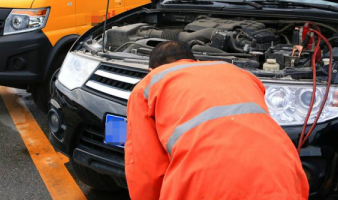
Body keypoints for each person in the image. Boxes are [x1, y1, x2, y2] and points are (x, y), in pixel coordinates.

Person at [125, 41, 309, 200]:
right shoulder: (240, 73)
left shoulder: (147, 86)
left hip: (206, 185)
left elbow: (145, 168)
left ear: (151, 70)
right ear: (195, 61)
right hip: (283, 177)